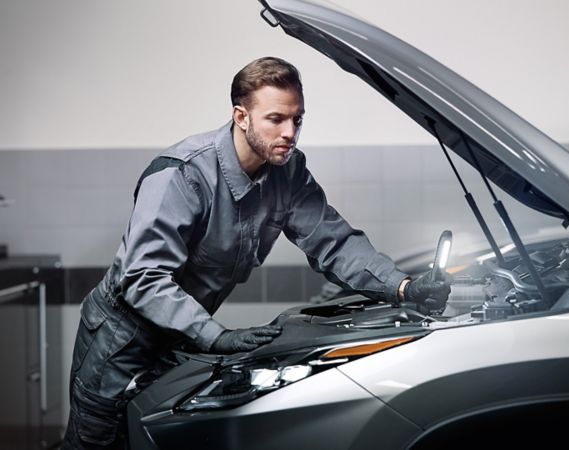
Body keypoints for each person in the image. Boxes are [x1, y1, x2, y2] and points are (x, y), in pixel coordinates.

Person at [62, 56, 451, 449]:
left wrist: (403, 286)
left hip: (180, 338)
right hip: (120, 343)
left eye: (297, 119)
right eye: (276, 119)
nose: (290, 132)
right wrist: (214, 336)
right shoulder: (183, 175)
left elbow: (333, 241)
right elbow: (143, 277)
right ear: (241, 117)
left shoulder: (288, 172)